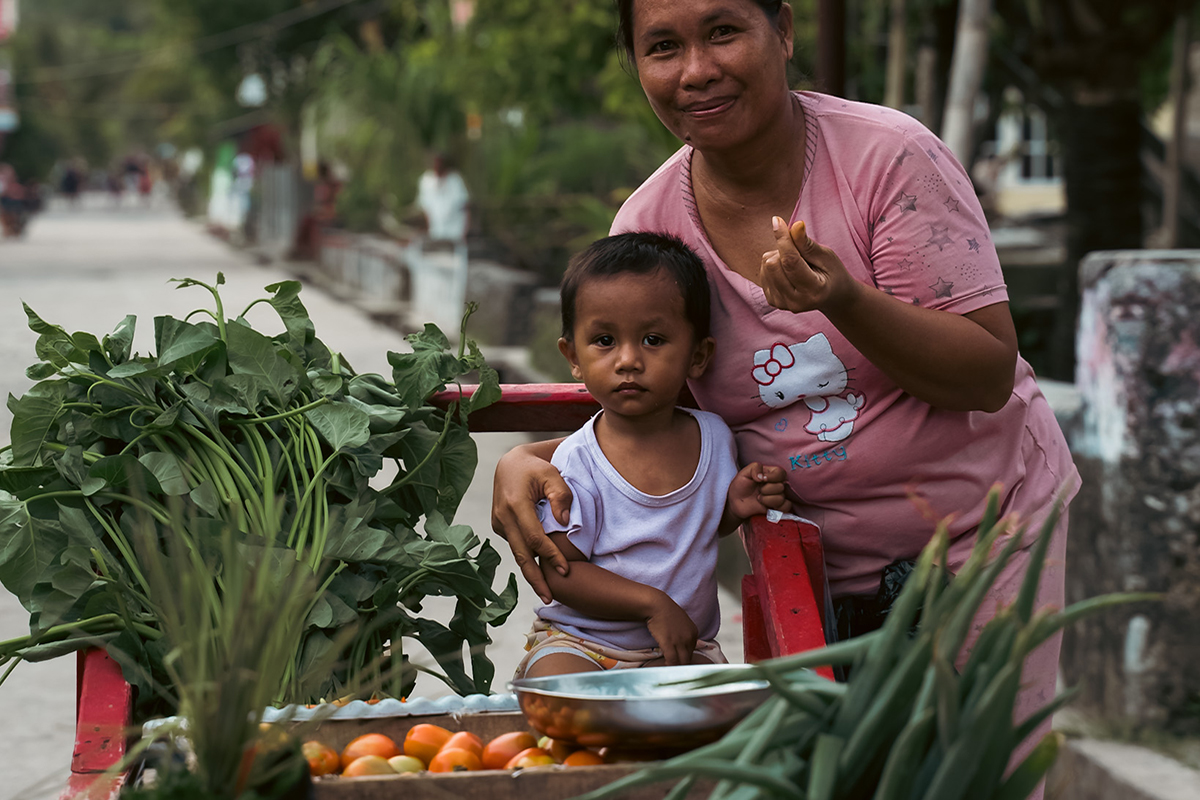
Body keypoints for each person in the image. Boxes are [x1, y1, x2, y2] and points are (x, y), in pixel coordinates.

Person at [491, 0, 1077, 789]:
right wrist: (523, 459)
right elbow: (643, 405)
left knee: (975, 781)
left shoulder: (888, 158)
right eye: (662, 46)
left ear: (785, 32)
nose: (696, 69)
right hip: (807, 566)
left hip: (980, 535)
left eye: (723, 31)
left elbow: (983, 373)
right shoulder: (651, 225)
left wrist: (844, 299)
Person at [512, 232, 792, 680]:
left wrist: (736, 506)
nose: (628, 360)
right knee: (555, 688)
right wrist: (652, 605)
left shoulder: (715, 438)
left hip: (680, 646)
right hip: (584, 643)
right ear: (573, 357)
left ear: (698, 356)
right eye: (604, 340)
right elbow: (561, 570)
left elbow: (690, 532)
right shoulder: (577, 460)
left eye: (653, 340)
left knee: (714, 708)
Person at [415, 152, 469, 246]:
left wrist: (464, 232)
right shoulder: (426, 181)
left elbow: (465, 207)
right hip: (436, 231)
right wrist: (430, 228)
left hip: (455, 231)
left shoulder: (455, 181)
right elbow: (426, 208)